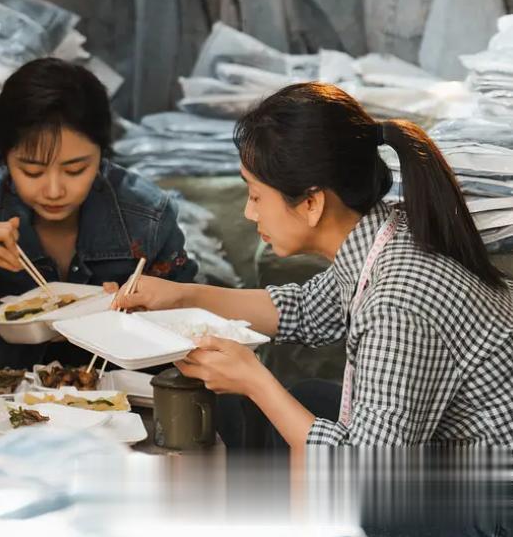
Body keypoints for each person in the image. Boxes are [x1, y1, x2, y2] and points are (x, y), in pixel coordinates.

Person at [119, 82, 513, 447]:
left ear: (312, 203)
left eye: (255, 196)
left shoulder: (396, 305)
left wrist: (256, 382)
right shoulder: (388, 234)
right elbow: (306, 309)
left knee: (281, 409)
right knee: (307, 398)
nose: (249, 213)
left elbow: (370, 478)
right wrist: (182, 296)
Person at [0, 58, 196, 371]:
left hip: (125, 393)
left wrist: (137, 318)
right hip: (3, 394)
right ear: (4, 157)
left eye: (75, 170)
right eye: (32, 171)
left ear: (102, 155)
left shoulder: (146, 215)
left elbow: (189, 330)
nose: (53, 190)